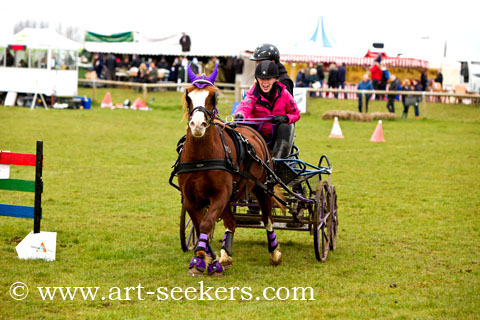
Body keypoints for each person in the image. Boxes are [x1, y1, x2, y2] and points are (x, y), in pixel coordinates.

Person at [234, 61, 300, 159]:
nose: (265, 83)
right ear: (257, 79)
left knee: (285, 127)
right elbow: (245, 105)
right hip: (256, 135)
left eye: (268, 79)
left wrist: (285, 118)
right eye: (262, 79)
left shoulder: (284, 94)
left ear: (275, 79)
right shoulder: (253, 93)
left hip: (276, 137)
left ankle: (278, 162)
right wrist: (240, 114)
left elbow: (296, 114)